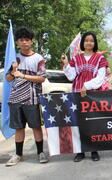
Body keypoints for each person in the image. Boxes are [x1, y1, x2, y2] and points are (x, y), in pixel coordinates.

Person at [5, 28, 49, 166]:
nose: (24, 42)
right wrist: (13, 71)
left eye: (27, 40)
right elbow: (7, 79)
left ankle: (40, 152)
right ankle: (18, 154)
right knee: (19, 128)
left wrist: (23, 75)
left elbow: (42, 78)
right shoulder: (14, 58)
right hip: (15, 98)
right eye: (21, 40)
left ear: (31, 41)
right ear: (17, 42)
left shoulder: (39, 58)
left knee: (36, 126)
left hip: (32, 98)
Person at [62, 32, 107, 162]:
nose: (89, 43)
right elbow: (71, 76)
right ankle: (80, 151)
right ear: (83, 43)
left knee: (93, 122)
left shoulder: (100, 58)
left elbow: (100, 77)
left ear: (95, 43)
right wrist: (66, 64)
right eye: (86, 40)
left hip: (93, 93)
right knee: (78, 122)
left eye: (91, 41)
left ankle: (94, 149)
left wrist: (86, 85)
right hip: (77, 92)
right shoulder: (76, 58)